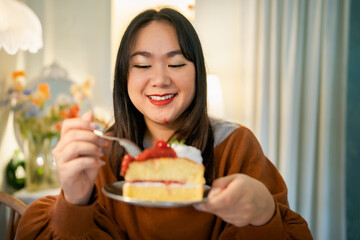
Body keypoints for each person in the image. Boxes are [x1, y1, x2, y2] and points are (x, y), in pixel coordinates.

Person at [15, 8, 313, 240]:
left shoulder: (235, 146)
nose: (159, 79)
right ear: (124, 77)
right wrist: (75, 201)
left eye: (177, 63)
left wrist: (263, 213)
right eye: (143, 65)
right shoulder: (100, 155)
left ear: (198, 73)